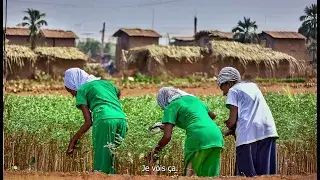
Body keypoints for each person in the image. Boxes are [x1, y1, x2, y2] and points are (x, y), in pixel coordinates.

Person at [148, 87, 224, 177]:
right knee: (210, 176)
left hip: (198, 137)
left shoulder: (171, 107)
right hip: (217, 136)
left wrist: (155, 151)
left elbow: (167, 137)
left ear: (164, 101)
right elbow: (212, 115)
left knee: (190, 174)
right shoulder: (194, 100)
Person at [217, 67, 279, 177]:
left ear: (229, 83)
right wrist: (228, 132)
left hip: (247, 137)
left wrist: (228, 125)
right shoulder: (253, 86)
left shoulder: (233, 90)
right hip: (268, 131)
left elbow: (232, 122)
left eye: (223, 88)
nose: (224, 93)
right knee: (266, 174)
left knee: (246, 174)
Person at [64, 67, 127, 174]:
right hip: (122, 120)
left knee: (101, 159)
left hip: (104, 120)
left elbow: (88, 122)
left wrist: (73, 139)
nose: (72, 94)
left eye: (70, 90)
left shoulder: (82, 90)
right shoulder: (106, 83)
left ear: (75, 84)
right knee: (110, 155)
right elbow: (118, 91)